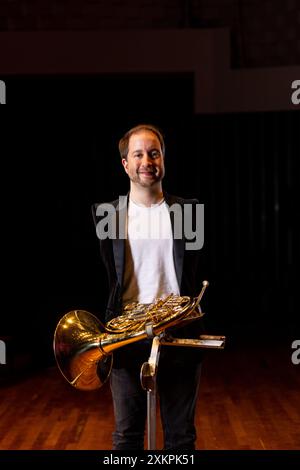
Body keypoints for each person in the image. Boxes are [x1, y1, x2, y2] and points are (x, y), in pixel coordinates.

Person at [92, 124, 206, 450]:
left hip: (180, 332)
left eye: (154, 153)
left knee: (181, 436)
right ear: (125, 164)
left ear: (163, 159)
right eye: (138, 154)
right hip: (126, 337)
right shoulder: (108, 215)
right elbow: (108, 278)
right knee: (126, 436)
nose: (147, 161)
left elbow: (195, 272)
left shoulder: (188, 211)